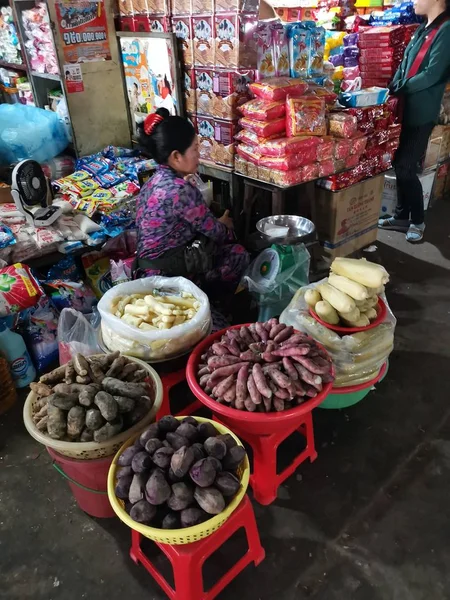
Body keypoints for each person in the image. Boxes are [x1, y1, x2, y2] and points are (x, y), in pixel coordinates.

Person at [135, 107, 249, 290]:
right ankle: (215, 305)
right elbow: (219, 234)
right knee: (238, 254)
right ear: (176, 156)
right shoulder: (181, 191)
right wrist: (227, 226)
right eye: (195, 148)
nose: (199, 154)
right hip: (167, 278)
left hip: (146, 271)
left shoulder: (153, 181)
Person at [379, 0, 450, 242]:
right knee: (400, 163)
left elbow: (433, 73)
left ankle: (417, 220)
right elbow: (405, 63)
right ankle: (400, 216)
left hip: (422, 111)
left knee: (406, 167)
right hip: (406, 107)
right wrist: (393, 85)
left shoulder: (446, 29)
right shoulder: (424, 27)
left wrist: (402, 86)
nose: (414, 0)